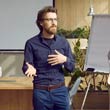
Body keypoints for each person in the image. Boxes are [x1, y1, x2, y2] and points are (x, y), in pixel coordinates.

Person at [22, 6, 75, 110]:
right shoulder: (31, 43)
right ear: (41, 23)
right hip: (41, 93)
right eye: (50, 19)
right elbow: (26, 65)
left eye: (55, 19)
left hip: (60, 91)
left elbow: (72, 67)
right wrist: (29, 68)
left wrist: (65, 60)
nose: (54, 22)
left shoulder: (63, 42)